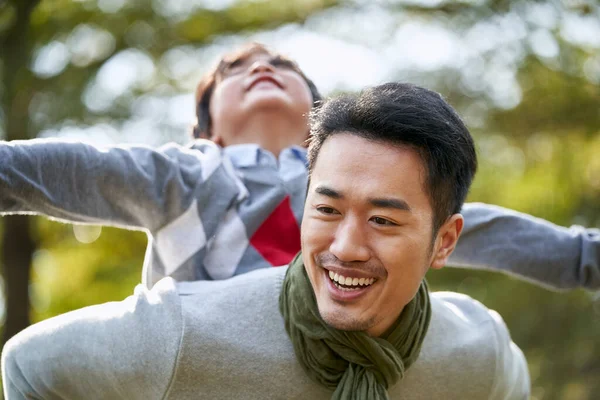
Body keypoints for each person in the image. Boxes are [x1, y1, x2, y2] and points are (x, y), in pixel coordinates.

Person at [2, 82, 529, 399]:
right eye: (326, 209)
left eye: (384, 221)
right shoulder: (179, 332)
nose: (345, 247)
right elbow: (27, 366)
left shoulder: (477, 349)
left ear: (444, 242)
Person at [0, 42, 598, 290]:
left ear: (320, 116)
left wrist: (581, 258)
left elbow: (478, 227)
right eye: (233, 70)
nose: (261, 65)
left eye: (281, 65)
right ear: (206, 125)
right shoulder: (183, 174)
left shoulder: (362, 177)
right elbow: (66, 170)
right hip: (203, 355)